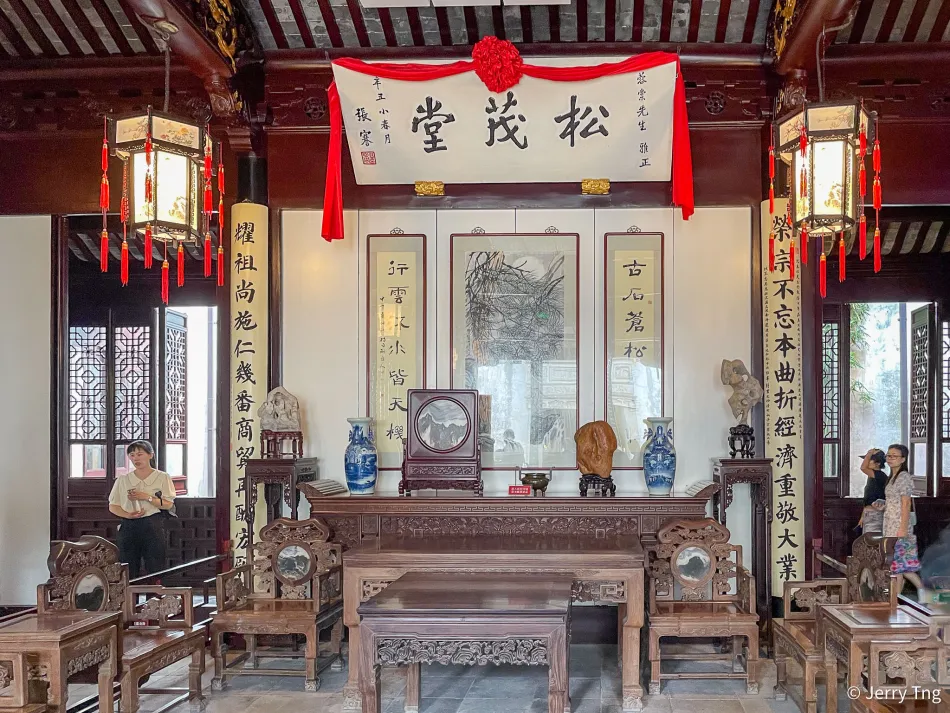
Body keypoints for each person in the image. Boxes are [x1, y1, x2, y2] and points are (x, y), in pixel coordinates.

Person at [108, 441, 176, 579]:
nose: (136, 458)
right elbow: (113, 505)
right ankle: (129, 594)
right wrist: (128, 515)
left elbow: (168, 504)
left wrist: (146, 497)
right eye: (132, 455)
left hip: (152, 524)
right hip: (129, 525)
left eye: (140, 454)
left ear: (151, 455)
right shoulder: (123, 479)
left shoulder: (162, 477)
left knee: (155, 566)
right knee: (128, 567)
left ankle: (155, 593)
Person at [881, 443, 923, 594]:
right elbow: (894, 502)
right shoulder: (892, 477)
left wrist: (903, 528)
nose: (890, 458)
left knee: (900, 566)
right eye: (888, 455)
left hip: (899, 527)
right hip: (890, 525)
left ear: (903, 459)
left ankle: (900, 598)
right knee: (899, 566)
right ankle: (896, 599)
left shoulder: (904, 477)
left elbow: (906, 503)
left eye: (894, 456)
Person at [857, 449, 889, 533]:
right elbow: (868, 498)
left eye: (869, 459)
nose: (866, 462)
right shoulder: (873, 477)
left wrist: (869, 453)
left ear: (878, 463)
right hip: (870, 513)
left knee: (872, 539)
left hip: (875, 514)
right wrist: (863, 516)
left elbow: (863, 468)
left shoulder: (880, 475)